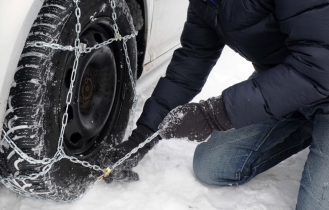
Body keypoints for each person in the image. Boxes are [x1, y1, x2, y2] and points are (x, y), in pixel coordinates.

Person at [101, 0, 329, 209]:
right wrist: (142, 138)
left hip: (319, 80)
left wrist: (215, 114)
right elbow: (190, 63)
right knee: (212, 166)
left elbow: (319, 67)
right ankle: (308, 127)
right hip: (285, 89)